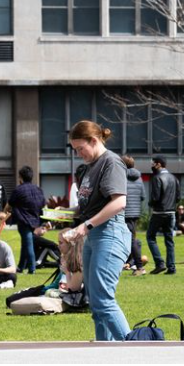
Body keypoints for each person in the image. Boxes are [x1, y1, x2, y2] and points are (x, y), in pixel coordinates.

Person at [65, 120, 131, 341]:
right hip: (94, 236)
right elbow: (91, 206)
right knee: (95, 303)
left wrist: (86, 225)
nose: (79, 154)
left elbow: (119, 202)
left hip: (110, 234)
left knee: (103, 300)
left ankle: (135, 349)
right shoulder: (90, 166)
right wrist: (64, 214)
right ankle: (105, 352)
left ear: (94, 140)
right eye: (75, 150)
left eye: (80, 148)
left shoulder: (111, 162)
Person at [8, 166, 46, 274]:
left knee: (28, 243)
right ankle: (20, 267)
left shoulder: (18, 189)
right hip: (35, 220)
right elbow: (43, 204)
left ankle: (32, 269)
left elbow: (10, 203)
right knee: (25, 243)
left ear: (20, 177)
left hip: (23, 220)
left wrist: (5, 213)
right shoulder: (38, 189)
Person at [146, 154, 180, 275]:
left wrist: (150, 204)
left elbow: (155, 197)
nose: (151, 165)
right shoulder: (174, 178)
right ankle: (171, 267)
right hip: (171, 212)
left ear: (158, 164)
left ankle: (160, 263)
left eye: (153, 163)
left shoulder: (157, 178)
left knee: (150, 237)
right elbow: (178, 197)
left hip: (159, 212)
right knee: (169, 240)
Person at [122, 155, 147, 275]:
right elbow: (143, 196)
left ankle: (139, 267)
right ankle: (128, 263)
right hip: (135, 213)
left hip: (123, 212)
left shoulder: (121, 176)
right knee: (129, 239)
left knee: (131, 241)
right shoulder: (139, 178)